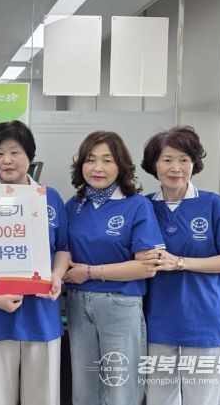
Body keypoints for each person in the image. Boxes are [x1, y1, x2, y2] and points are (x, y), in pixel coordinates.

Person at [140, 126, 220, 405]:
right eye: (167, 159)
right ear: (154, 164)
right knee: (159, 399)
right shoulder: (143, 206)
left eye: (184, 160)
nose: (175, 168)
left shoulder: (212, 205)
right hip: (156, 322)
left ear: (194, 164)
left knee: (203, 399)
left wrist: (179, 262)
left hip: (204, 321)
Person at [0, 120, 70, 405]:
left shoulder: (50, 197)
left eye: (15, 152)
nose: (7, 160)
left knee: (43, 398)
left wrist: (56, 275)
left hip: (42, 312)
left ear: (30, 156)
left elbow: (63, 248)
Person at [63, 130, 164, 405]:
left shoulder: (137, 205)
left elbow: (147, 267)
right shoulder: (74, 206)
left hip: (119, 303)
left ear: (120, 166)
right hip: (77, 304)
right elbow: (62, 253)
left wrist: (91, 272)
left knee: (121, 388)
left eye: (107, 160)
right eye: (90, 159)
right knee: (84, 389)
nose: (98, 168)